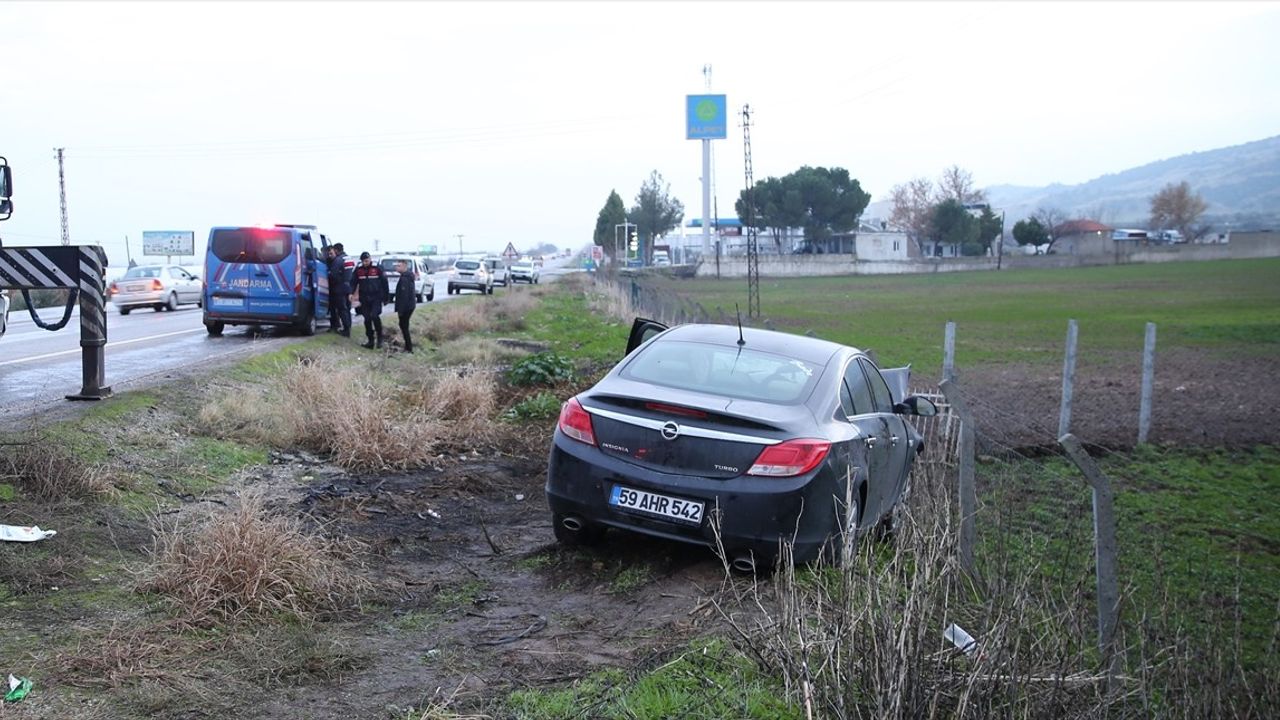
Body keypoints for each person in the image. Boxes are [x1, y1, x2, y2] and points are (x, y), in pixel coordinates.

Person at [349, 251, 389, 348]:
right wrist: (351, 293)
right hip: (364, 297)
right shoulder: (359, 269)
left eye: (367, 261)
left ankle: (380, 339)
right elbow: (353, 282)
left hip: (376, 296)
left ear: (370, 259)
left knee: (374, 316)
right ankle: (370, 340)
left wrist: (386, 297)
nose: (365, 263)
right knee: (367, 319)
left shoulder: (377, 267)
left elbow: (384, 282)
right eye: (364, 261)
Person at [392, 259, 417, 353]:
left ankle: (409, 348)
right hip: (409, 305)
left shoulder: (405, 279)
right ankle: (408, 347)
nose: (396, 267)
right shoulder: (406, 276)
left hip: (407, 307)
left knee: (404, 326)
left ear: (404, 267)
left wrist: (400, 310)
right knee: (403, 325)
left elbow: (404, 295)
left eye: (399, 266)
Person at [327, 244, 352, 336]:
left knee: (341, 309)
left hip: (339, 288)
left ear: (336, 250)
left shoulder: (338, 260)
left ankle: (346, 330)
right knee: (347, 308)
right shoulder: (348, 258)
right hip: (348, 287)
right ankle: (348, 327)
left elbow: (333, 274)